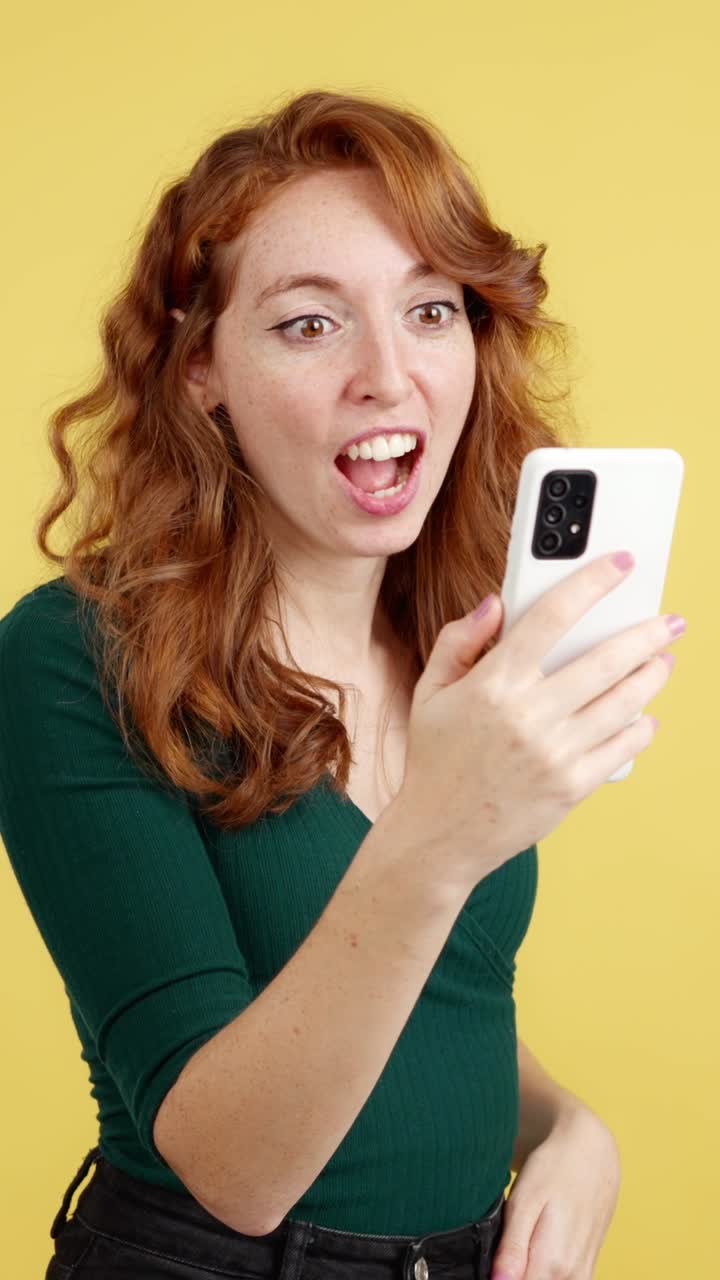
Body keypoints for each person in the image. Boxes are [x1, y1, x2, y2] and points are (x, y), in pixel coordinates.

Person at [0, 88, 675, 1279]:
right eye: (311, 325)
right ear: (200, 363)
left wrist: (570, 1126)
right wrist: (440, 829)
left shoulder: (453, 643)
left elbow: (438, 998)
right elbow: (235, 1167)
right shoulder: (73, 656)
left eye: (429, 309)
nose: (388, 375)